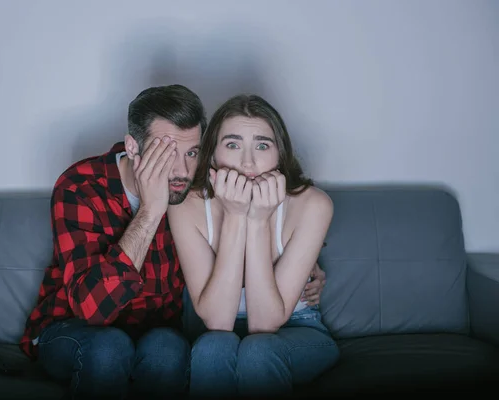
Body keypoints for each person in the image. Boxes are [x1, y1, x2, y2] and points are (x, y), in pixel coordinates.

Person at [19, 84, 327, 399]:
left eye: (192, 152)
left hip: (157, 331)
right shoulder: (81, 186)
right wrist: (151, 211)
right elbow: (93, 311)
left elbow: (254, 220)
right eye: (164, 153)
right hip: (76, 329)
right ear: (133, 148)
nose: (180, 169)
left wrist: (303, 265)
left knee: (168, 348)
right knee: (110, 347)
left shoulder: (192, 187)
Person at [167, 93, 339, 398]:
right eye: (232, 145)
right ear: (212, 154)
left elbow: (264, 324)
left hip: (297, 329)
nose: (248, 162)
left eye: (262, 145)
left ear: (279, 154)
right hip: (217, 333)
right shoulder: (186, 205)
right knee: (211, 348)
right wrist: (235, 216)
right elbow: (218, 322)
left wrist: (258, 221)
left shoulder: (313, 204)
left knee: (258, 352)